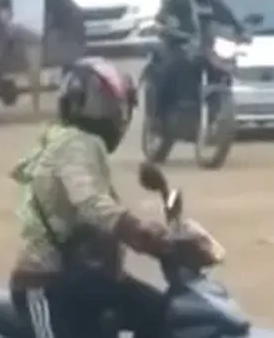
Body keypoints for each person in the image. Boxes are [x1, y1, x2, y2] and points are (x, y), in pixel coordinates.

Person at [10, 57, 174, 338]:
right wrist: (135, 229)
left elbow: (96, 208)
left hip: (84, 280)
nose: (113, 114)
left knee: (158, 311)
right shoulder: (74, 142)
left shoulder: (75, 141)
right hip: (47, 284)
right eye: (109, 106)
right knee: (156, 312)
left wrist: (148, 233)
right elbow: (90, 202)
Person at [150, 0, 247, 122]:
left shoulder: (214, 3)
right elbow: (162, 18)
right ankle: (158, 115)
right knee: (170, 69)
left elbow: (231, 21)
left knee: (224, 70)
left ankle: (218, 109)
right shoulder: (176, 0)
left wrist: (242, 33)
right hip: (181, 48)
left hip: (209, 52)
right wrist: (168, 28)